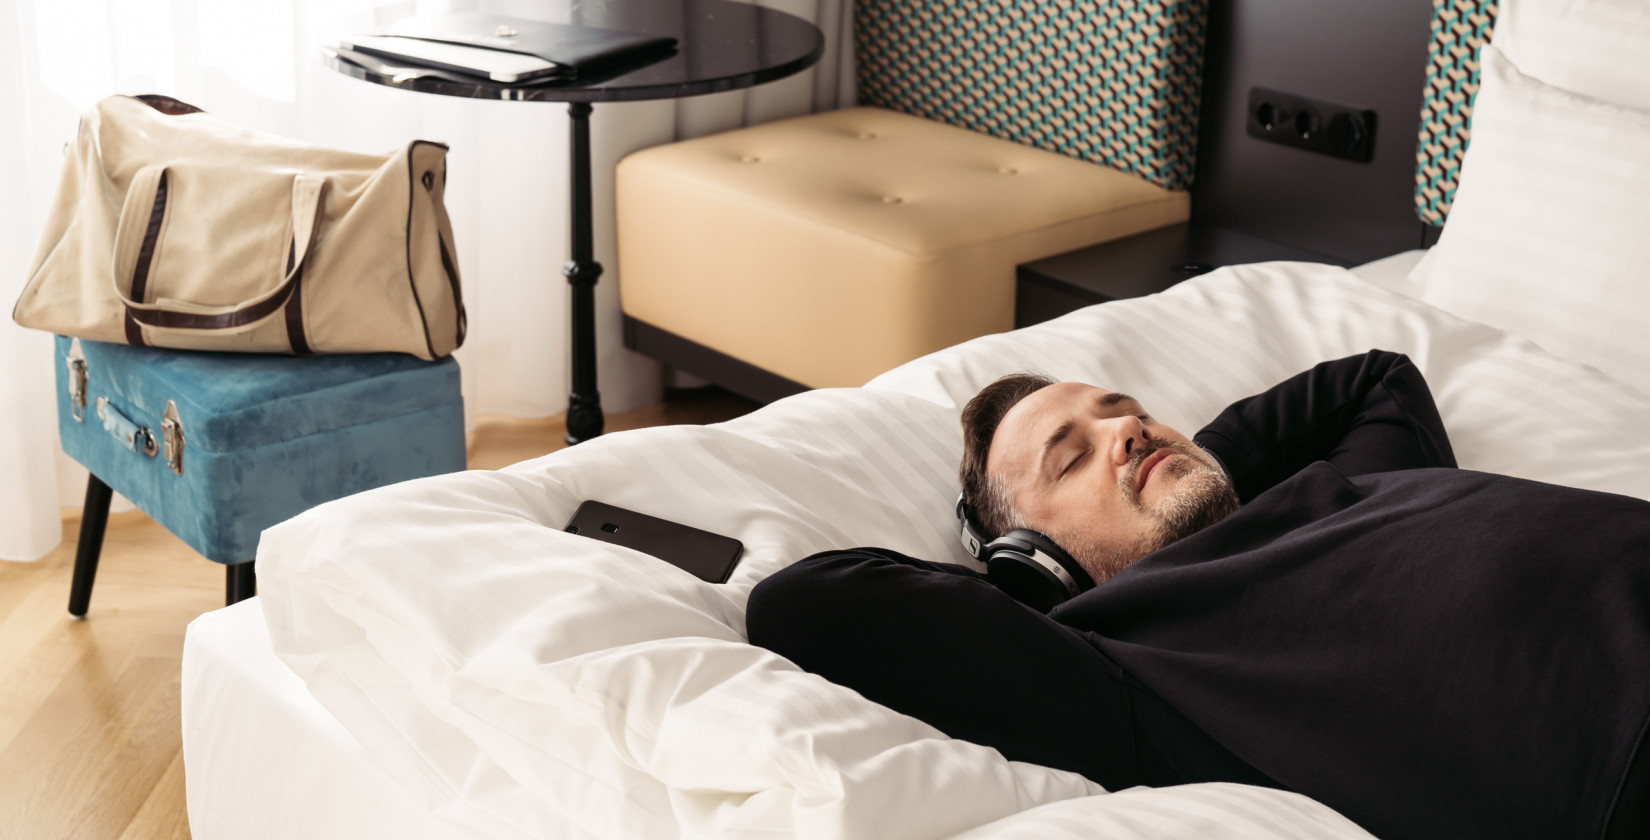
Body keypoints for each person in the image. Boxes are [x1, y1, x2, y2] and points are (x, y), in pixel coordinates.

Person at [746, 350, 1650, 840]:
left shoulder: (1333, 490)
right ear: (1032, 553)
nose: (1125, 428)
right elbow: (807, 601)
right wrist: (1030, 583)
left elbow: (1374, 381)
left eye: (1122, 408)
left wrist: (1188, 468)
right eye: (1071, 455)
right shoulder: (1128, 665)